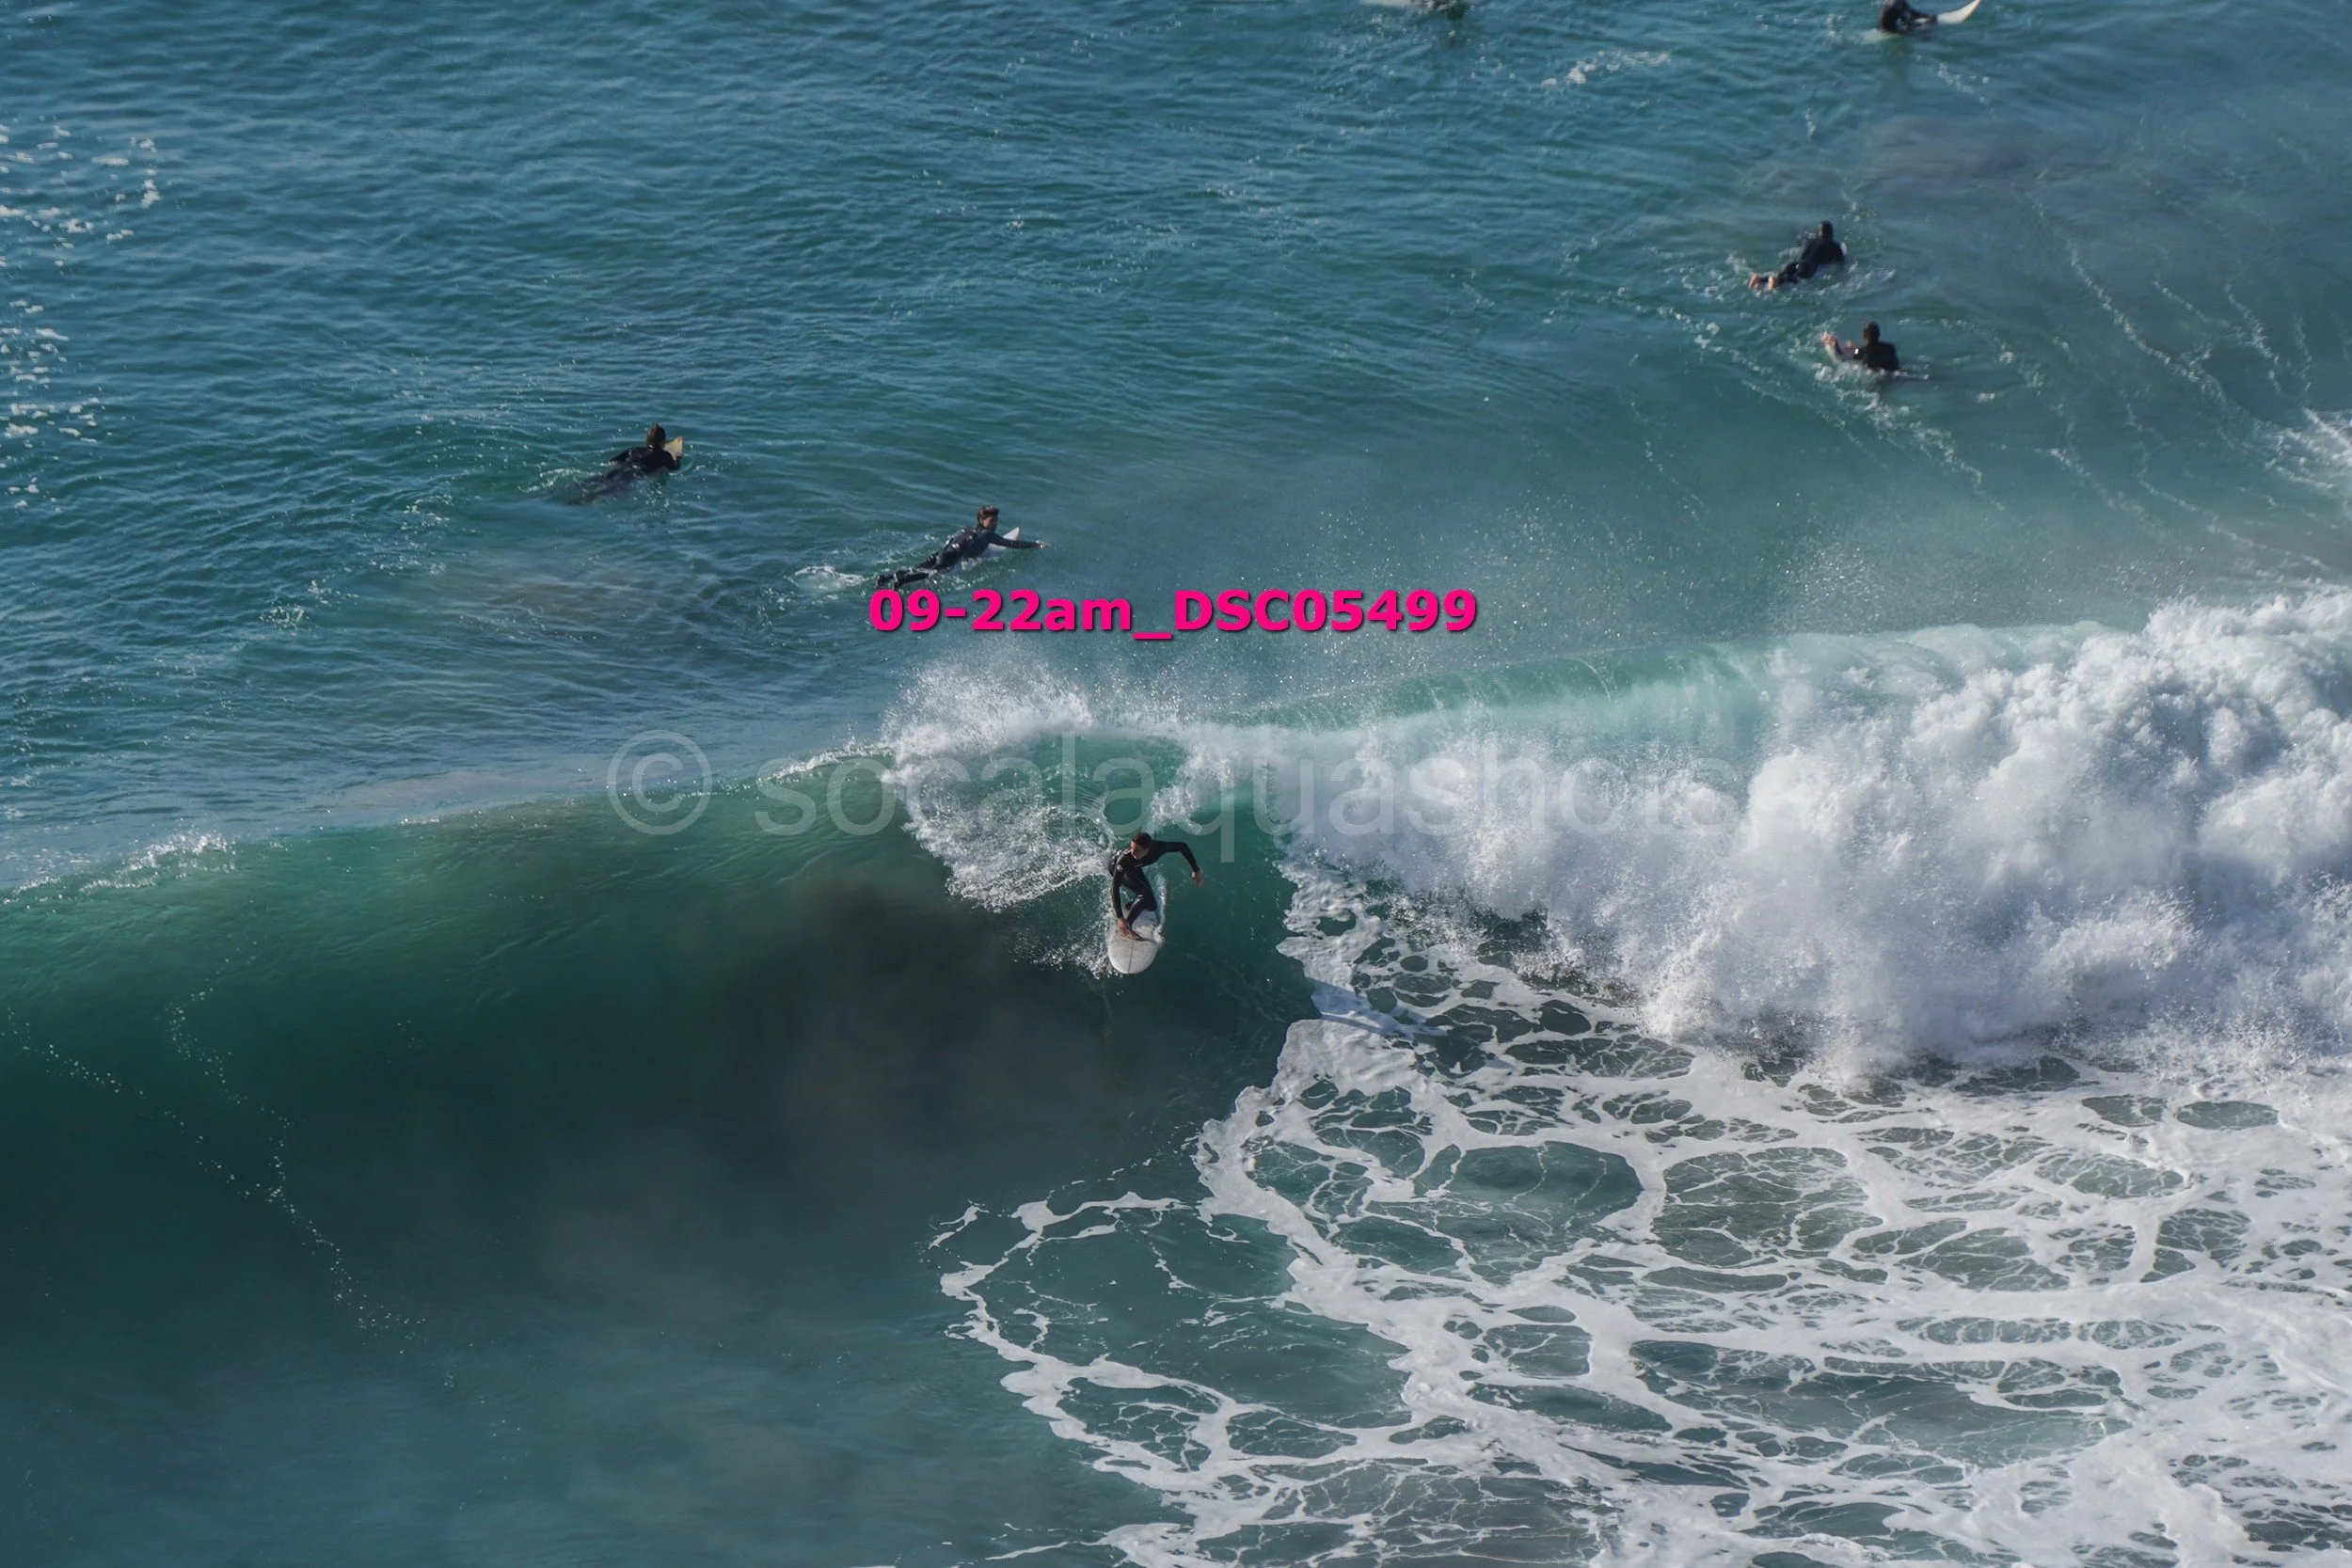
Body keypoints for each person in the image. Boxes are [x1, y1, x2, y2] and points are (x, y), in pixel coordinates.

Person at [878, 506, 1044, 588]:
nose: (995, 523)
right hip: (951, 558)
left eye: (996, 520)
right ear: (982, 520)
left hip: (941, 553)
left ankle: (887, 577)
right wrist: (1035, 545)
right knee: (930, 574)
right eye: (992, 521)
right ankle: (902, 580)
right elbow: (1010, 544)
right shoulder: (988, 534)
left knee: (918, 567)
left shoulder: (967, 529)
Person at [1109, 831, 1201, 940]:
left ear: (1147, 850)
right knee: (1145, 894)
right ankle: (1126, 927)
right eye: (1131, 847)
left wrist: (1196, 870)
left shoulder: (1159, 848)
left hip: (1135, 867)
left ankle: (1132, 905)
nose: (1132, 852)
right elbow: (1114, 888)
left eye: (1137, 850)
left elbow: (1182, 846)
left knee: (1151, 905)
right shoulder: (1125, 859)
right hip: (1117, 867)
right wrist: (1120, 917)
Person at [582, 424, 682, 499]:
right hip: (633, 476)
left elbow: (613, 461)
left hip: (619, 471)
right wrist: (677, 457)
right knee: (607, 492)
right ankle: (585, 500)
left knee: (603, 480)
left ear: (647, 440)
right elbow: (674, 468)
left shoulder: (634, 450)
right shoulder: (665, 455)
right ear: (663, 442)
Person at [1750, 222, 1848, 292]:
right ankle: (1775, 280)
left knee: (1783, 274)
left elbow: (1799, 240)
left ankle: (1760, 279)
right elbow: (1840, 261)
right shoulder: (1833, 245)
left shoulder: (1808, 239)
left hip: (1795, 263)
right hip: (1808, 267)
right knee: (1792, 280)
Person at [1823, 321, 1900, 374]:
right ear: (1879, 334)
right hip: (1896, 372)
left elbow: (1845, 360)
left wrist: (1836, 346)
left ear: (1864, 337)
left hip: (1880, 377)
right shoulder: (1890, 347)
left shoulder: (1861, 351)